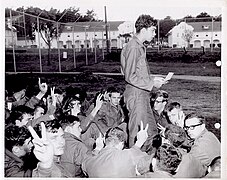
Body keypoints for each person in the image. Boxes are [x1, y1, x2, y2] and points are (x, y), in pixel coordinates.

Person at [120, 14, 166, 151]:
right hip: (136, 95)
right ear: (144, 30)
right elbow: (129, 76)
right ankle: (132, 165)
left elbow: (137, 73)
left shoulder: (138, 46)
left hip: (142, 94)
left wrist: (153, 79)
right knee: (137, 133)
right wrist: (151, 84)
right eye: (153, 30)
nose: (155, 33)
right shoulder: (134, 47)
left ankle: (150, 162)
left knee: (151, 131)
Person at [82, 121, 151, 178]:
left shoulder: (88, 162)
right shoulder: (128, 155)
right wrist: (140, 141)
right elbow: (152, 163)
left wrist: (97, 149)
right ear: (121, 144)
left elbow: (84, 166)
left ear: (103, 140)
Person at [176, 112, 221, 177]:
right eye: (187, 127)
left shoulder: (200, 147)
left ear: (202, 126)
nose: (188, 131)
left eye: (192, 127)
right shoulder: (209, 134)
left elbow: (185, 163)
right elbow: (190, 141)